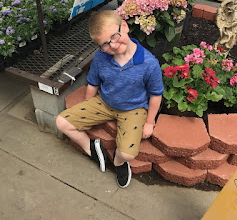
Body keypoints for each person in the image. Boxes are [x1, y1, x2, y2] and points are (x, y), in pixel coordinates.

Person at [56, 10, 164, 188]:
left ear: (125, 27)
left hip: (133, 109)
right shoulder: (101, 57)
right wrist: (87, 107)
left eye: (115, 36)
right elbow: (92, 83)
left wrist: (150, 122)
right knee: (62, 122)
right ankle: (91, 147)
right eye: (104, 44)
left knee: (128, 154)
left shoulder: (148, 63)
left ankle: (118, 162)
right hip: (104, 103)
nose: (112, 45)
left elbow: (156, 94)